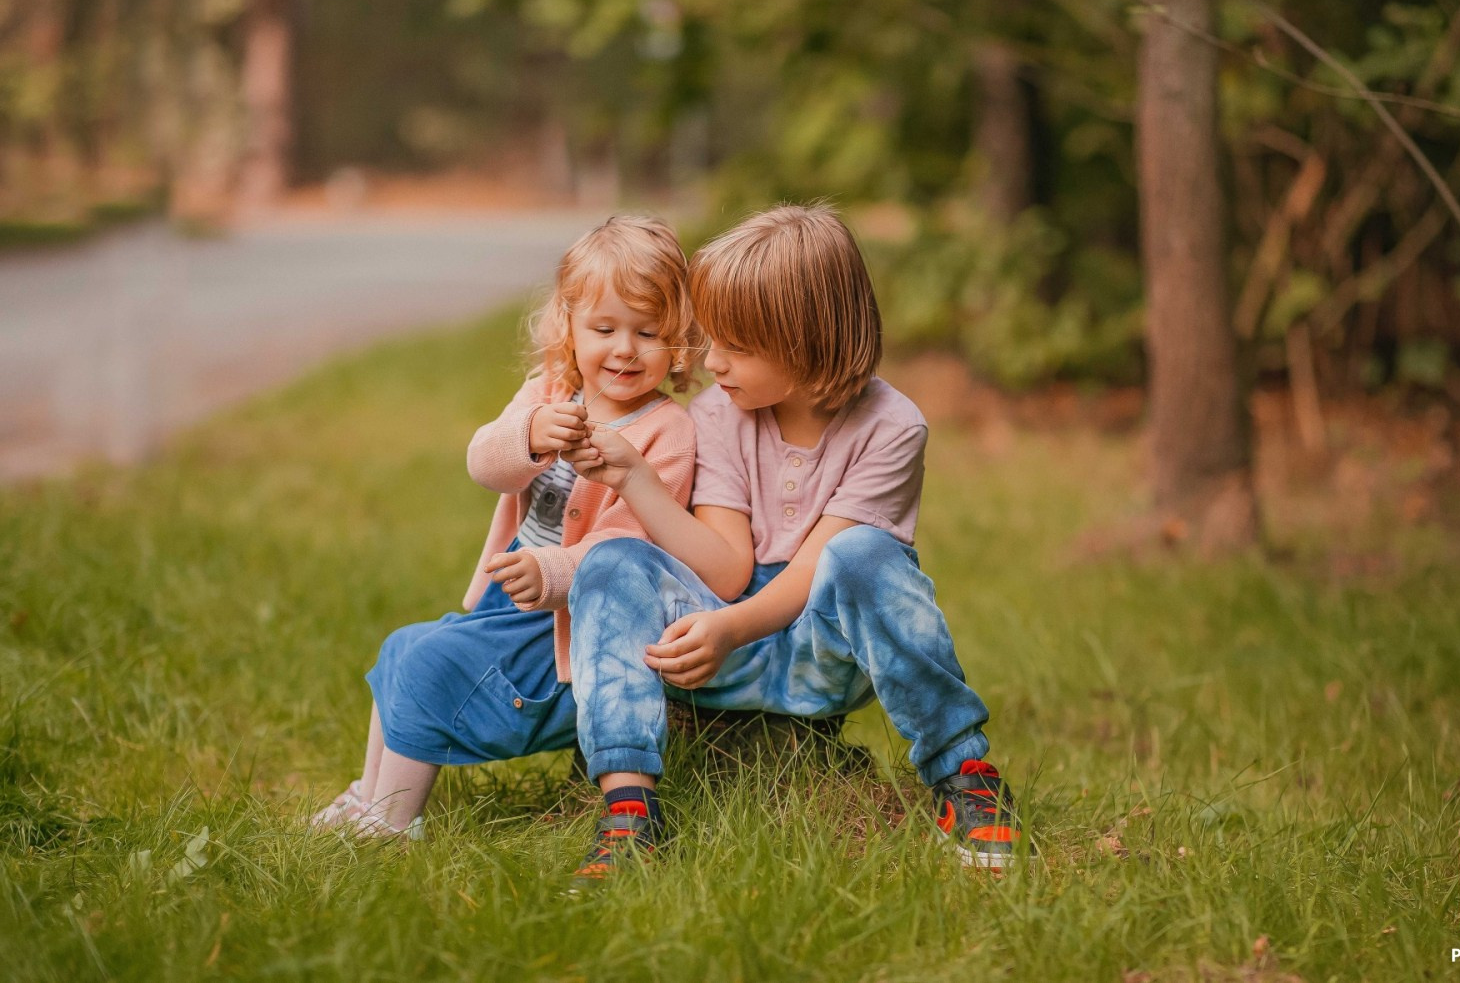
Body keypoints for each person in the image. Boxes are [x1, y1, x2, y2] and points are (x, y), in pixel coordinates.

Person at [560, 203, 1023, 886]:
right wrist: (637, 482)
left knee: (863, 554)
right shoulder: (719, 411)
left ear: (808, 345)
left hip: (825, 653)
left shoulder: (892, 427)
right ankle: (630, 805)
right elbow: (724, 562)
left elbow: (817, 565)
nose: (710, 362)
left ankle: (963, 770)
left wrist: (730, 627)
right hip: (723, 645)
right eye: (712, 339)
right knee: (610, 562)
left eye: (736, 347)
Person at [308, 215, 700, 838]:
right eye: (604, 328)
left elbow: (627, 548)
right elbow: (484, 464)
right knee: (403, 647)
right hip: (506, 601)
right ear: (569, 327)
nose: (624, 349)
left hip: (564, 630)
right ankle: (368, 795)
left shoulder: (667, 432)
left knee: (432, 666)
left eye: (647, 332)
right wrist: (529, 437)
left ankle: (390, 824)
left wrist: (549, 572)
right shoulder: (550, 390)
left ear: (677, 340)